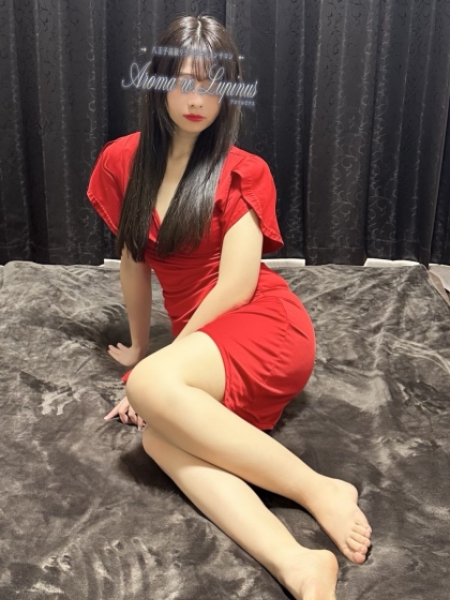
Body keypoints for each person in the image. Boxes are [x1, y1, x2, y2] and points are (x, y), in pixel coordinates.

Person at [86, 14, 372, 600]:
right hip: (205, 346)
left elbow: (237, 287)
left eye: (213, 85)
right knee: (159, 439)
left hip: (263, 326)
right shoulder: (121, 161)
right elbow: (134, 262)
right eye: (184, 82)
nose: (198, 99)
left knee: (153, 392)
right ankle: (296, 563)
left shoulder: (244, 171)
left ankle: (318, 488)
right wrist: (139, 347)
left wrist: (156, 371)